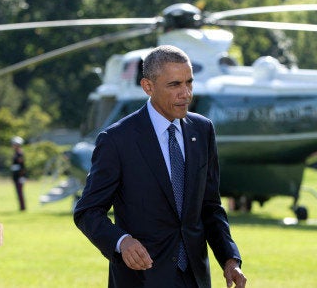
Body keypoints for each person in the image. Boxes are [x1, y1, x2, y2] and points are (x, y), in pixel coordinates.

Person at [74, 45, 247, 288]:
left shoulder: (203, 130)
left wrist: (229, 258)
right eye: (174, 85)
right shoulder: (117, 140)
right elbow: (88, 211)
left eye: (189, 83)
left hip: (195, 280)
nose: (186, 93)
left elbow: (210, 206)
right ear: (148, 86)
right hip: (141, 279)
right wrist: (122, 242)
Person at [11, 136, 26, 211]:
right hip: (15, 176)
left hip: (19, 177)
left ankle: (22, 208)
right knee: (18, 193)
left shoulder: (20, 153)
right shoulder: (15, 153)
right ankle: (21, 207)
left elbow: (22, 166)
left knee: (20, 193)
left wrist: (22, 176)